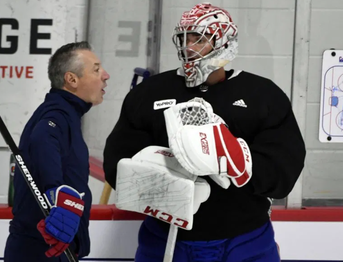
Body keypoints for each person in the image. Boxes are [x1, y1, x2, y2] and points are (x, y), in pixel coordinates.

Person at [103, 3, 305, 262]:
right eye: (184, 39)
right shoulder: (149, 93)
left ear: (223, 42)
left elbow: (284, 171)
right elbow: (116, 165)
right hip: (165, 240)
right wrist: (162, 173)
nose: (189, 47)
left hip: (245, 240)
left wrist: (235, 162)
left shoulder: (262, 95)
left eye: (199, 39)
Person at [4, 41, 110, 261]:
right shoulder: (56, 114)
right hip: (40, 250)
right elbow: (42, 139)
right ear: (71, 80)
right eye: (96, 69)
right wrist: (56, 191)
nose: (105, 75)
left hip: (53, 248)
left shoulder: (67, 114)